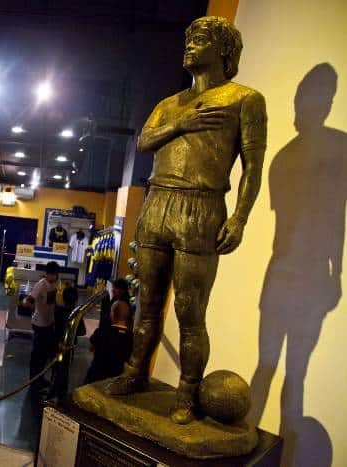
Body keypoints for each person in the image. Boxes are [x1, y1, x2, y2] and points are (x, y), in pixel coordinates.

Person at [105, 16, 267, 425]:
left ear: (223, 50)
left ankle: (187, 392)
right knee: (148, 305)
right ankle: (134, 373)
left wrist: (241, 217)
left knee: (190, 312)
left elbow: (252, 166)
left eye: (201, 39)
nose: (190, 45)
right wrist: (183, 122)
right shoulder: (169, 104)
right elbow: (143, 141)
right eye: (189, 39)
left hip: (201, 206)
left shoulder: (244, 99)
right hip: (158, 201)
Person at [84, 279, 133, 384]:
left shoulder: (102, 332)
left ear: (112, 314)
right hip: (115, 377)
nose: (114, 290)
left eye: (116, 288)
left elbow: (91, 347)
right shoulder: (131, 336)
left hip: (97, 374)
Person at [21, 261, 59, 389]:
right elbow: (28, 301)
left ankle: (40, 377)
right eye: (51, 274)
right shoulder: (41, 285)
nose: (53, 277)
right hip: (39, 324)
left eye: (55, 274)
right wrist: (31, 305)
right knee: (37, 354)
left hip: (49, 322)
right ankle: (33, 381)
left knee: (45, 354)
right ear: (46, 274)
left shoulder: (56, 283)